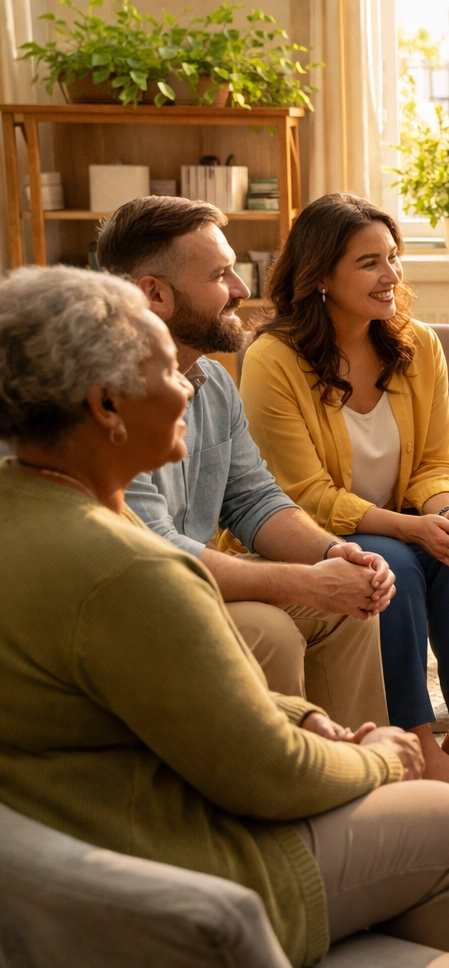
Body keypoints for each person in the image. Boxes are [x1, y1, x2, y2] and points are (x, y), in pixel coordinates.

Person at [0, 265, 449, 968]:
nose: (186, 386)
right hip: (176, 878)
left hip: (88, 829)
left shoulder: (28, 507)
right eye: (167, 369)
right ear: (106, 406)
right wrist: (381, 757)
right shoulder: (136, 572)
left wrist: (299, 715)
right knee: (448, 823)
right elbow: (273, 779)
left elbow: (187, 698)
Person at [242, 193, 449, 806]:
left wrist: (442, 511)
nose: (391, 275)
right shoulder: (273, 360)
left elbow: (436, 463)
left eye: (394, 258)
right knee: (393, 563)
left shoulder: (418, 345)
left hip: (397, 522)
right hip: (309, 534)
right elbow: (301, 496)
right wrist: (408, 531)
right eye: (370, 263)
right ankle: (417, 741)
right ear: (320, 276)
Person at [97, 197, 395, 730]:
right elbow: (155, 550)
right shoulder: (105, 400)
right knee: (272, 628)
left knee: (349, 611)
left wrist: (334, 553)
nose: (241, 289)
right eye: (220, 275)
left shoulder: (213, 385)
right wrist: (306, 582)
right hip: (135, 597)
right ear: (154, 293)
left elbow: (255, 500)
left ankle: (359, 779)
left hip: (191, 582)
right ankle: (280, 794)